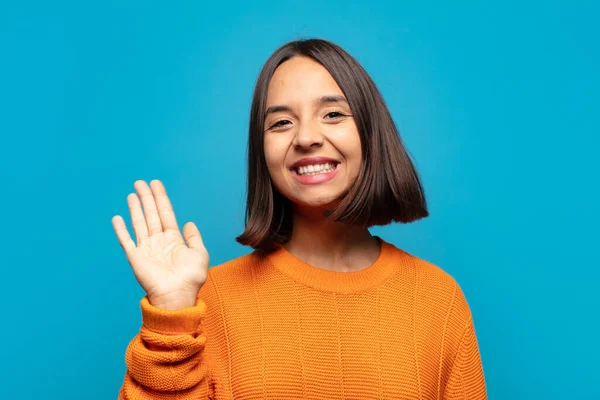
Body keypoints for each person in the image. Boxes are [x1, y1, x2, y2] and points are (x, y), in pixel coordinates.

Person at [112, 38, 487, 399]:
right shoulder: (206, 301)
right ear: (263, 153)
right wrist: (171, 314)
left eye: (333, 114)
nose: (306, 137)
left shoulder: (438, 299)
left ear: (371, 134)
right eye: (281, 123)